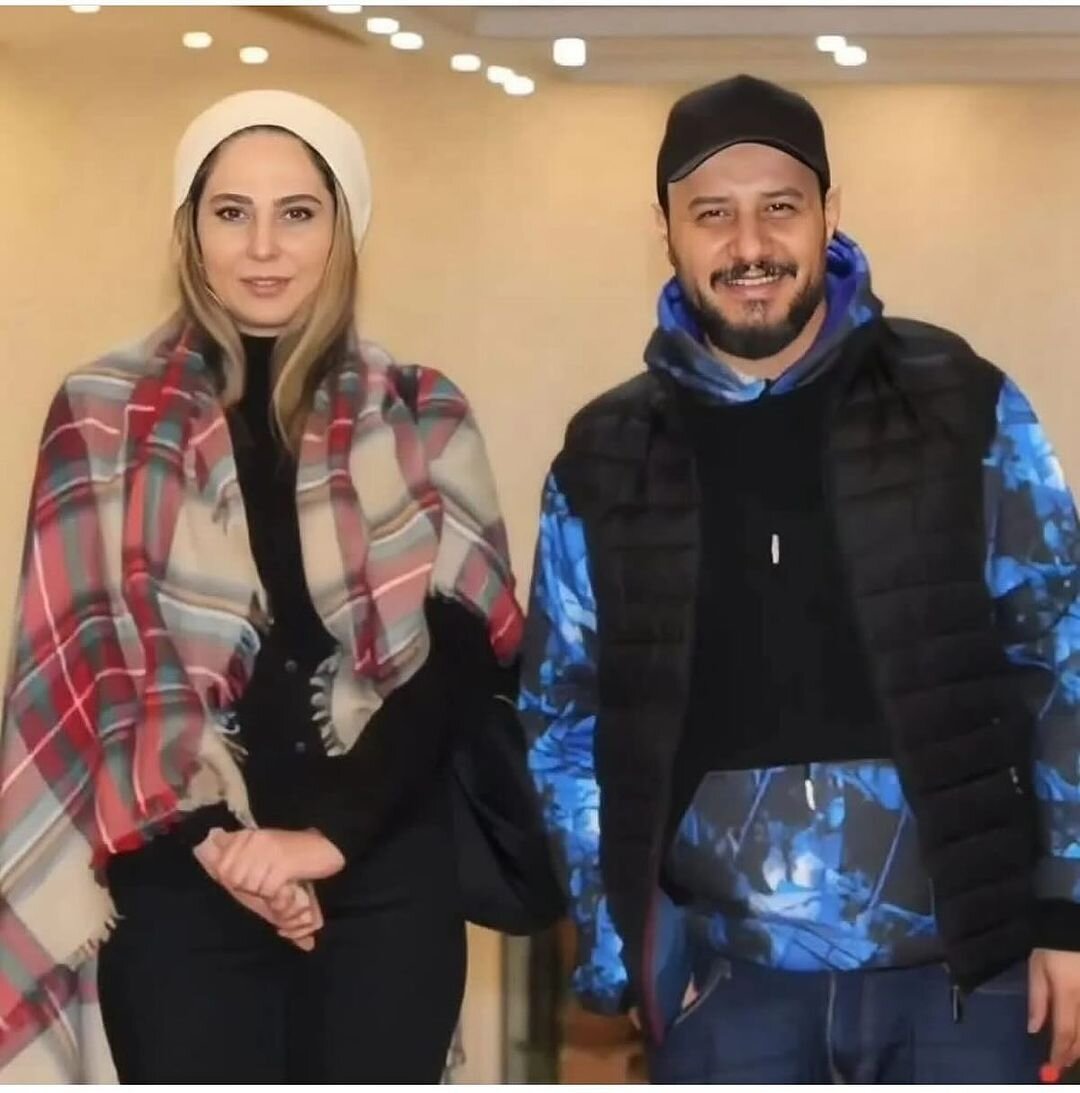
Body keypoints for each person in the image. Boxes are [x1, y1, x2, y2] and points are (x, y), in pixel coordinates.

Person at [520, 73, 1080, 1084]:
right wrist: (622, 948)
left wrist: (1069, 914)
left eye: (780, 206)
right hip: (726, 994)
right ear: (664, 230)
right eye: (712, 214)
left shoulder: (962, 402)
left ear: (830, 213)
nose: (750, 246)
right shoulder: (605, 456)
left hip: (971, 984)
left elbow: (1061, 659)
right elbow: (563, 715)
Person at [0, 89, 523, 1083]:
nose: (264, 247)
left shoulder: (423, 412)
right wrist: (221, 845)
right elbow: (88, 662)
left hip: (382, 880)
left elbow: (462, 660)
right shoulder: (100, 415)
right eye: (232, 212)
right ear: (191, 231)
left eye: (298, 212)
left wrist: (323, 840)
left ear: (344, 228)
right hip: (179, 883)